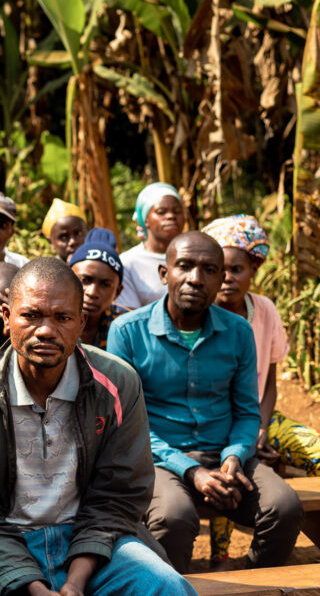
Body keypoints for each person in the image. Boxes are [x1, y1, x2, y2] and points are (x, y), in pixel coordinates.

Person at [0, 257, 193, 595]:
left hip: (95, 545)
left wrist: (75, 582)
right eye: (31, 316)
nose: (46, 330)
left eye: (62, 318)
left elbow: (118, 498)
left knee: (166, 587)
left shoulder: (118, 384)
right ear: (7, 317)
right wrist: (33, 587)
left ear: (81, 322)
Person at [107, 232, 303, 572]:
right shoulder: (127, 332)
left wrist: (234, 457)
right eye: (184, 266)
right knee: (174, 518)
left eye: (209, 270)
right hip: (159, 460)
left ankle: (254, 586)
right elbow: (127, 425)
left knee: (284, 507)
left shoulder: (238, 332)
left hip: (224, 455)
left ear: (220, 278)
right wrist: (191, 471)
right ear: (164, 273)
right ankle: (172, 589)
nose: (196, 278)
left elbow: (247, 412)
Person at [203, 214, 320, 562]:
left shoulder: (264, 309)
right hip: (216, 425)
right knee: (228, 472)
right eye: (219, 270)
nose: (227, 278)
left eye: (236, 269)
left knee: (313, 449)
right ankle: (221, 557)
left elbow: (269, 382)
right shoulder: (201, 316)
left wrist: (262, 427)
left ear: (253, 269)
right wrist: (244, 437)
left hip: (261, 416)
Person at [115, 182, 185, 309]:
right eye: (161, 212)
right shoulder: (127, 263)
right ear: (145, 220)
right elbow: (130, 314)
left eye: (177, 211)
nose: (171, 216)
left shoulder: (197, 256)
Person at [68, 227, 127, 348]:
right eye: (85, 280)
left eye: (105, 284)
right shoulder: (46, 319)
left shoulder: (128, 327)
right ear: (66, 281)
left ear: (117, 291)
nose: (92, 292)